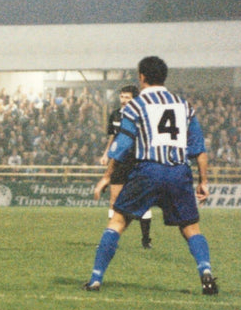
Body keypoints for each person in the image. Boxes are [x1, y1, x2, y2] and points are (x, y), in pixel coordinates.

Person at [83, 56, 218, 295]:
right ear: (163, 77)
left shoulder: (135, 105)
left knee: (118, 222)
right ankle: (205, 272)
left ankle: (95, 278)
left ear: (142, 77)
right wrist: (204, 182)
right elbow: (199, 148)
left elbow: (122, 145)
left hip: (148, 170)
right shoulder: (183, 104)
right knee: (191, 228)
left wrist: (107, 176)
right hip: (178, 171)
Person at [100, 85, 153, 249]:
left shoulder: (143, 115)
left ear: (135, 99)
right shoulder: (115, 115)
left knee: (143, 200)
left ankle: (146, 239)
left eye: (127, 97)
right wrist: (106, 153)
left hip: (138, 160)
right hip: (119, 161)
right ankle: (110, 240)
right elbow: (114, 137)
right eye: (122, 96)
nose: (123, 100)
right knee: (114, 199)